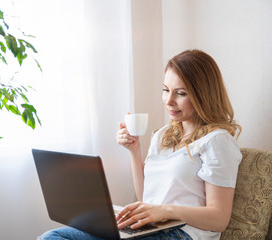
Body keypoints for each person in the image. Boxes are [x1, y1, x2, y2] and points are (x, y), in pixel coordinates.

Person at [38, 49, 242, 240]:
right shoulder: (163, 135)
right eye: (165, 90)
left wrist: (165, 210)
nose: (168, 100)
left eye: (180, 93)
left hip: (182, 233)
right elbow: (146, 196)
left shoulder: (217, 141)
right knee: (54, 237)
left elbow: (219, 218)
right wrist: (134, 151)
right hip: (152, 226)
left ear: (202, 95)